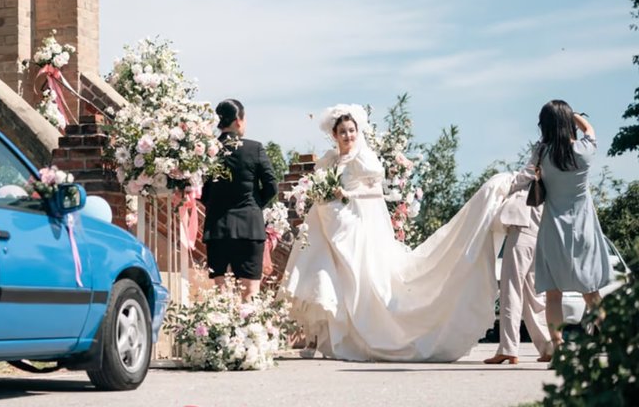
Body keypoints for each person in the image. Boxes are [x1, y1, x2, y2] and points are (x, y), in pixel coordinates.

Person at [282, 104, 512, 362]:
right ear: (334, 135)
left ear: (358, 132)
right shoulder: (330, 160)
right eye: (343, 132)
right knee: (332, 280)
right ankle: (336, 340)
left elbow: (376, 193)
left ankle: (366, 336)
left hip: (356, 228)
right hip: (331, 225)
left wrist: (348, 194)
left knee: (362, 281)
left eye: (351, 130)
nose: (348, 136)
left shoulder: (363, 159)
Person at [531, 101, 611, 353]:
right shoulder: (584, 151)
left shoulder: (541, 152)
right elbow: (590, 130)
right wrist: (574, 115)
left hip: (553, 228)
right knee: (591, 292)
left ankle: (557, 345)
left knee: (553, 295)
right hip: (583, 227)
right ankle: (606, 340)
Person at [200, 99, 278, 298]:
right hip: (249, 229)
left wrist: (215, 204)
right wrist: (254, 204)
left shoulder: (207, 152)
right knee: (250, 292)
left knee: (221, 293)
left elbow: (202, 191)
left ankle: (220, 329)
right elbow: (271, 186)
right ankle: (248, 329)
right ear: (238, 120)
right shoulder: (254, 148)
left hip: (217, 229)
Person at [483, 169, 551, 365]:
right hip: (540, 236)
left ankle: (508, 348)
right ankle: (547, 346)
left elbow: (514, 182)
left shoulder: (527, 179)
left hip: (521, 233)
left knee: (511, 290)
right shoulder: (553, 181)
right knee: (534, 294)